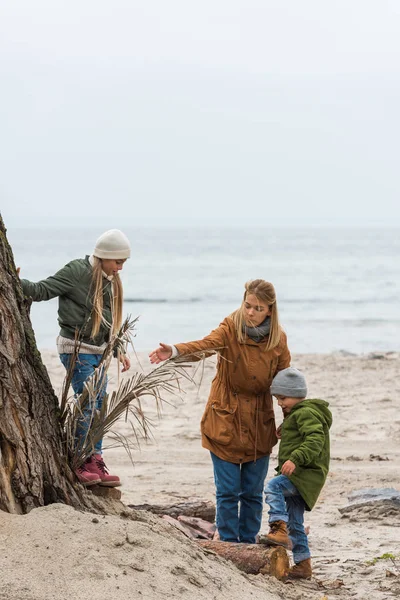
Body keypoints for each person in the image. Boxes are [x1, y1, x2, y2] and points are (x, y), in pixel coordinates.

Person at [149, 279, 291, 543]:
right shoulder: (229, 327)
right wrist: (175, 350)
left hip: (259, 421)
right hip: (224, 416)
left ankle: (247, 544)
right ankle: (227, 542)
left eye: (258, 308)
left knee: (252, 492)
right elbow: (205, 345)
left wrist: (289, 421)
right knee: (227, 491)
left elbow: (285, 384)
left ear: (270, 310)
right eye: (247, 305)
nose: (250, 312)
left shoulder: (278, 340)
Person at [20, 229, 131, 487]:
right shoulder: (77, 271)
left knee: (99, 403)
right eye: (118, 262)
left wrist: (119, 349)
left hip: (97, 353)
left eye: (123, 263)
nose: (120, 268)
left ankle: (95, 459)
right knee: (89, 400)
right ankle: (81, 461)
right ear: (104, 256)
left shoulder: (108, 279)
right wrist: (15, 281)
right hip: (75, 349)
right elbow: (42, 290)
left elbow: (107, 322)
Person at [263, 367, 332, 580]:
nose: (279, 403)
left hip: (304, 474)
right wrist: (287, 429)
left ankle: (278, 528)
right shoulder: (298, 413)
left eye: (283, 398)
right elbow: (303, 434)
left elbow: (314, 440)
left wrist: (295, 458)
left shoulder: (305, 412)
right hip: (304, 476)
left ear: (297, 395)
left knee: (273, 486)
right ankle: (303, 564)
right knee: (296, 522)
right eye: (277, 398)